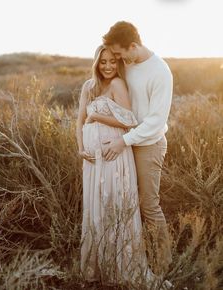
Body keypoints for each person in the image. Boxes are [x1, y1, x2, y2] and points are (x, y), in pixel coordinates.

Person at [76, 45, 172, 289]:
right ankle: (100, 266)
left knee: (131, 203)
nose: (107, 66)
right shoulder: (89, 86)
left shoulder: (119, 83)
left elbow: (128, 119)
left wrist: (96, 117)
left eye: (111, 61)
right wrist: (80, 148)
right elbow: (79, 120)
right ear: (96, 63)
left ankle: (159, 265)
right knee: (97, 207)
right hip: (93, 158)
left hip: (117, 153)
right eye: (103, 62)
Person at [102, 21, 173, 274]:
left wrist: (124, 140)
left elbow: (156, 122)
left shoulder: (160, 72)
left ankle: (163, 266)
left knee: (148, 205)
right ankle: (132, 258)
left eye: (120, 53)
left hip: (148, 145)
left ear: (133, 46)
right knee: (127, 201)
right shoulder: (128, 64)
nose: (118, 59)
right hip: (127, 142)